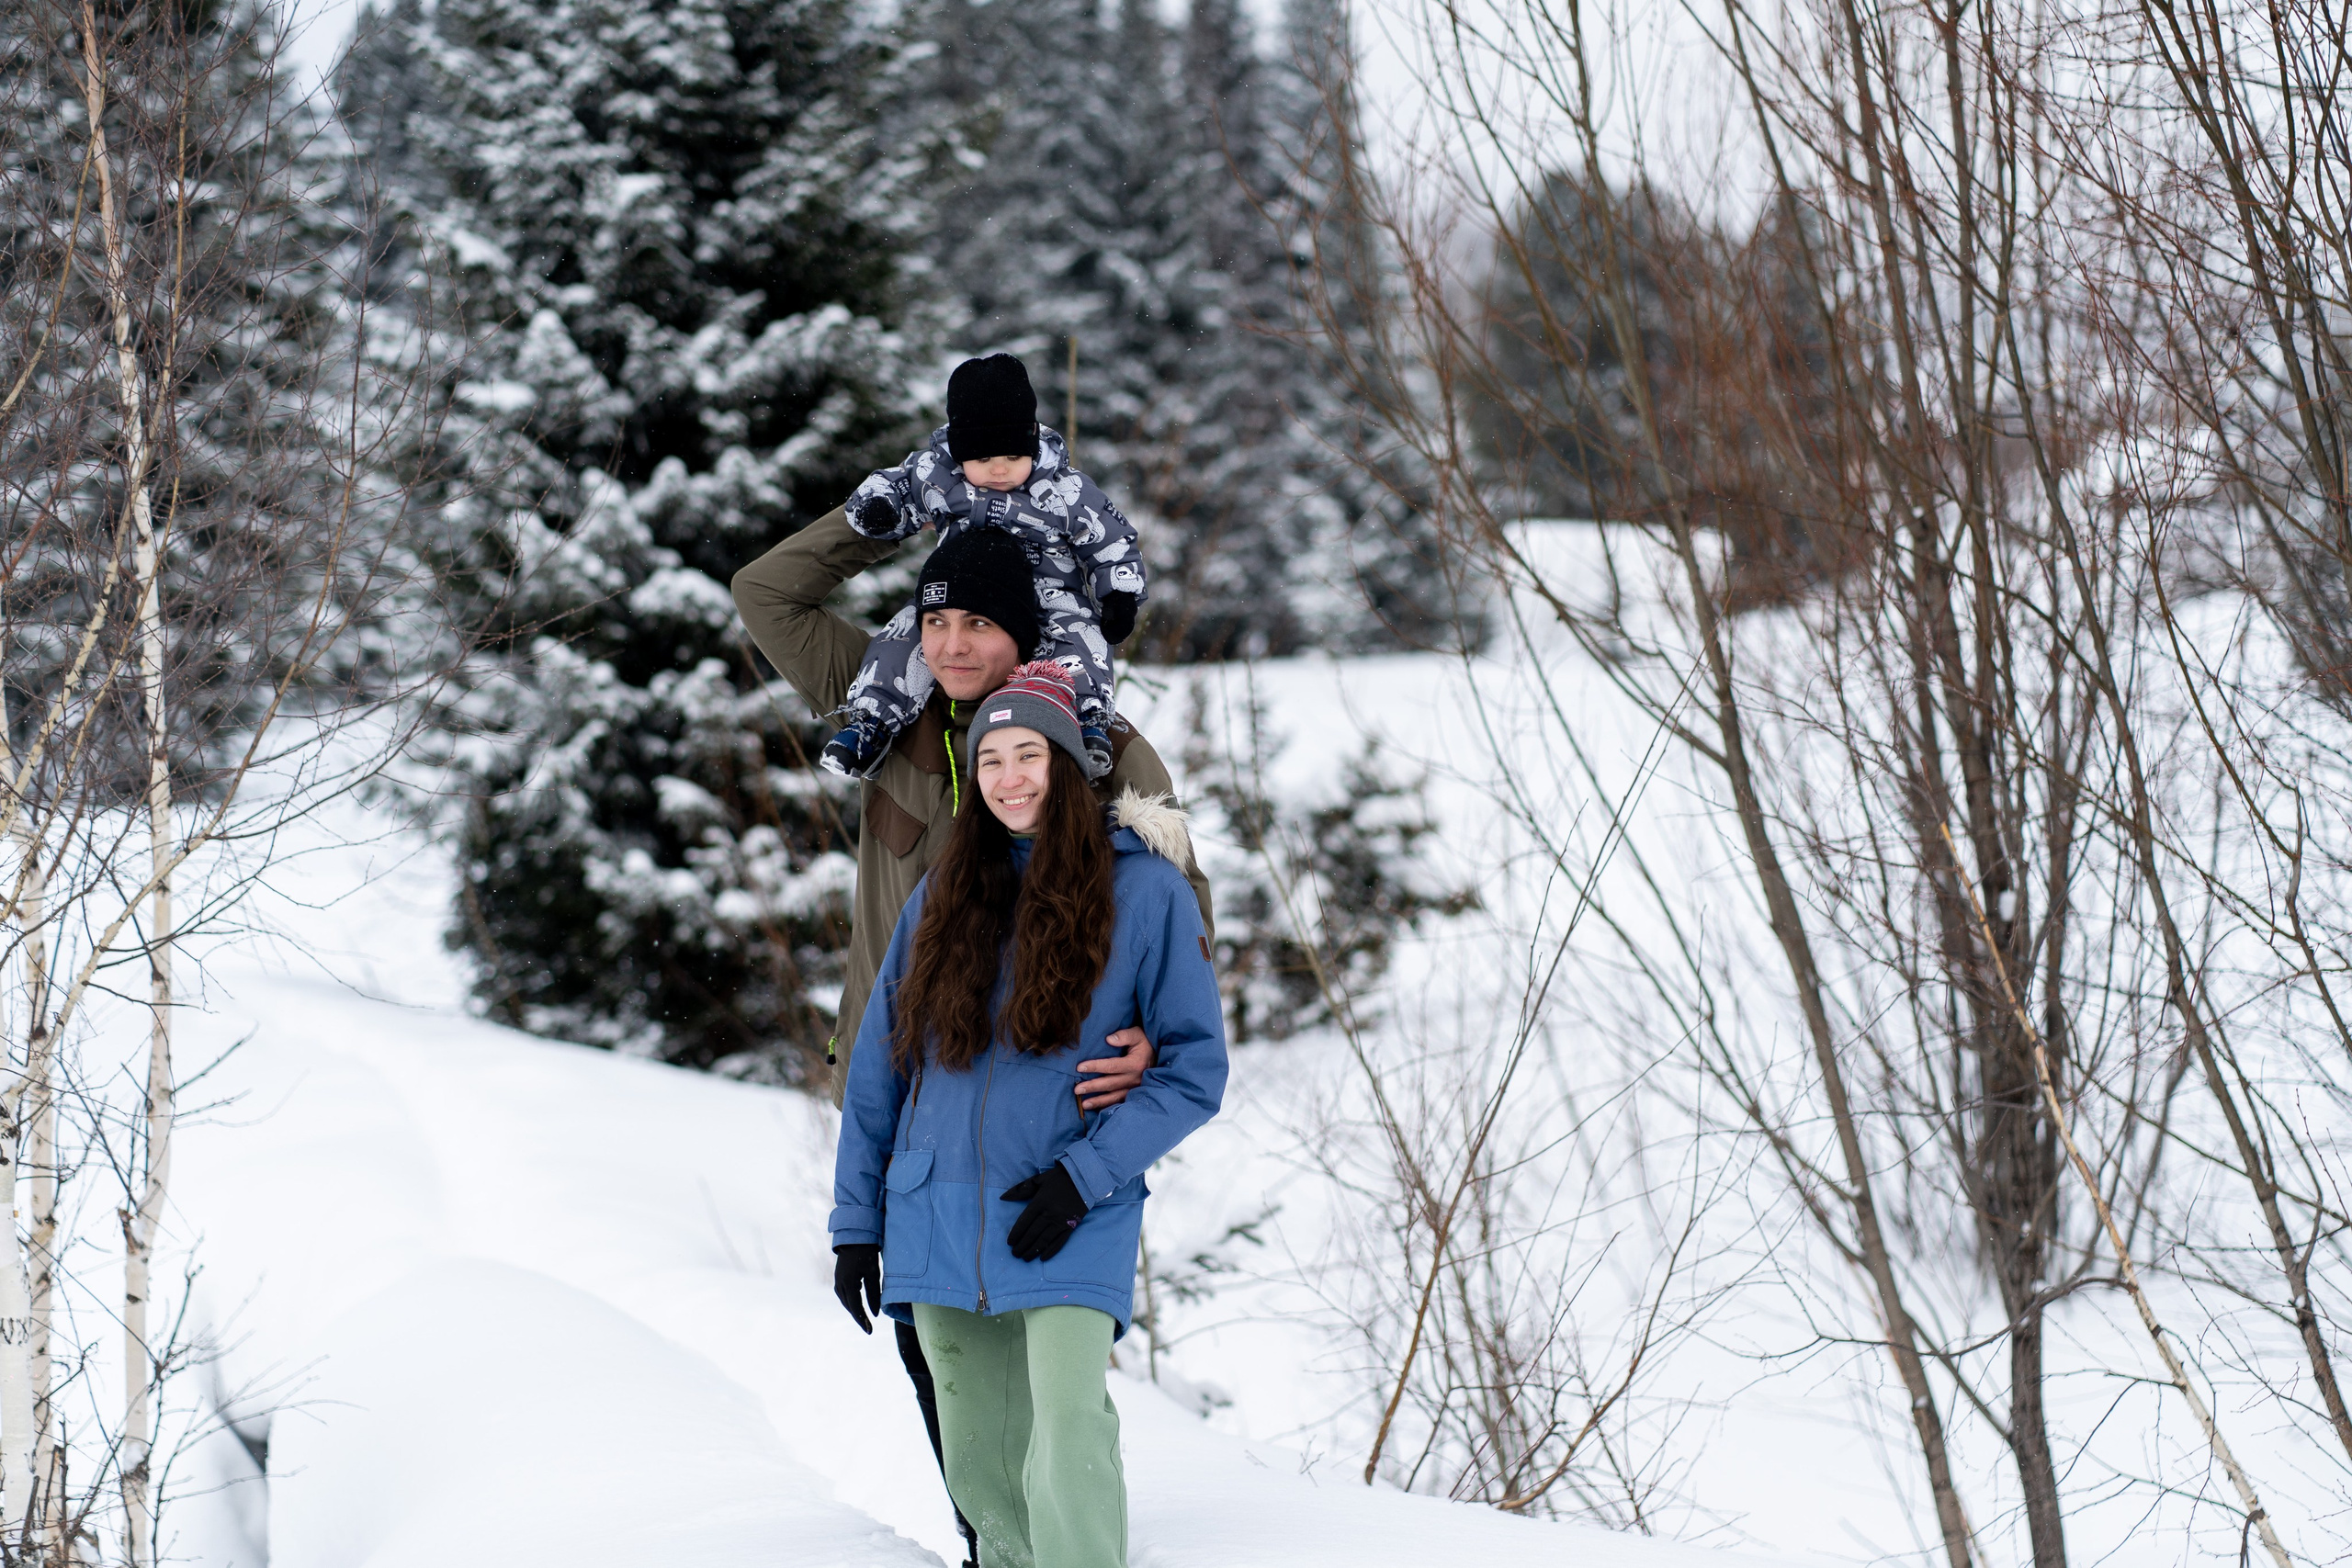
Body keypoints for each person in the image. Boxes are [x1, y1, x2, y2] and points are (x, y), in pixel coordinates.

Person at [730, 495, 1211, 1565]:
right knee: (946, 1381)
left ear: (1026, 637)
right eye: (935, 621)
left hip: (1055, 1122)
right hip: (913, 1111)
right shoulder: (884, 705)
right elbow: (766, 592)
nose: (953, 644)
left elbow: (1181, 925)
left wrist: (1145, 1047)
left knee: (1052, 1388)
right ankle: (994, 1545)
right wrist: (902, 505)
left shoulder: (1111, 756)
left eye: (979, 625)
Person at [829, 662, 1227, 1568]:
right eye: (993, 758)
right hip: (933, 1213)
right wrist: (857, 1222)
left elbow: (1193, 1068)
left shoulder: (1147, 892)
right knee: (975, 1457)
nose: (1011, 776)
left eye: (1030, 755)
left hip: (1066, 1206)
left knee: (1068, 1432)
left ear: (1066, 764)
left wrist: (1086, 1175)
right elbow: (880, 1070)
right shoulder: (941, 893)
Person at [824, 354, 1147, 782]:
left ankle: (1086, 722)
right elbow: (895, 485)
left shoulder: (1064, 490)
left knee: (1078, 641)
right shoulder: (941, 475)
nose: (998, 470)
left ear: (1032, 442)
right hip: (961, 591)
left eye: (1013, 455)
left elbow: (1110, 539)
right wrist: (879, 510)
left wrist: (1119, 594)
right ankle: (871, 722)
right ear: (960, 451)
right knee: (908, 635)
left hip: (1048, 593)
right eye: (983, 457)